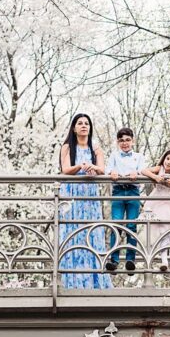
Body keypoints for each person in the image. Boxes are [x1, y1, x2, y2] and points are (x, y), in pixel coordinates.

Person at [58, 113, 111, 289]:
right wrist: (80, 166)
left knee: (91, 232)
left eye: (86, 123)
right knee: (72, 233)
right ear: (74, 127)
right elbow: (65, 170)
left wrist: (93, 167)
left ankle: (96, 281)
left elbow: (102, 170)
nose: (83, 126)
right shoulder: (67, 147)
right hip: (72, 192)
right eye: (79, 123)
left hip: (90, 194)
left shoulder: (96, 149)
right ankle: (71, 281)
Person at [104, 127, 146, 274]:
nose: (125, 143)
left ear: (132, 141)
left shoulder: (139, 157)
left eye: (127, 140)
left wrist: (137, 172)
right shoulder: (114, 156)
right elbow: (107, 170)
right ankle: (113, 260)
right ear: (117, 142)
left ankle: (130, 260)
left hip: (133, 191)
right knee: (116, 223)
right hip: (118, 191)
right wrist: (112, 172)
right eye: (121, 140)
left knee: (131, 224)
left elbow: (143, 171)